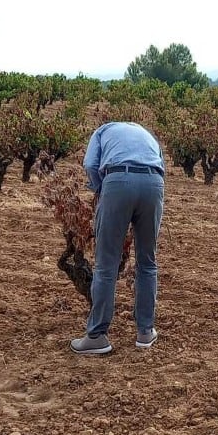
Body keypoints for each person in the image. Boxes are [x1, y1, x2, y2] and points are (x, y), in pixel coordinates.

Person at [71, 121, 165, 355]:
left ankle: (97, 336)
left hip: (118, 181)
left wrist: (101, 190)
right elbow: (160, 162)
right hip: (154, 182)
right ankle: (145, 331)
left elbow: (91, 164)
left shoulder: (101, 131)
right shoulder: (146, 133)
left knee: (106, 264)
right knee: (147, 262)